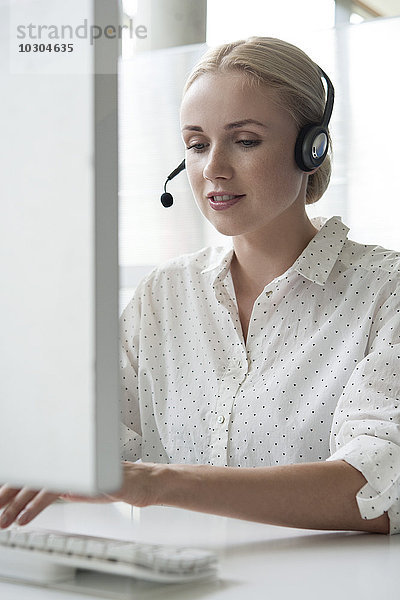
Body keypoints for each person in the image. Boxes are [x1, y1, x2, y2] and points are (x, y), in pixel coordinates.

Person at [1, 37, 399, 535]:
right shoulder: (163, 295)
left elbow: (379, 490)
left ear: (311, 148)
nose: (213, 168)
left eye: (246, 140)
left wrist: (161, 483)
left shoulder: (386, 292)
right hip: (177, 580)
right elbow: (94, 447)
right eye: (196, 144)